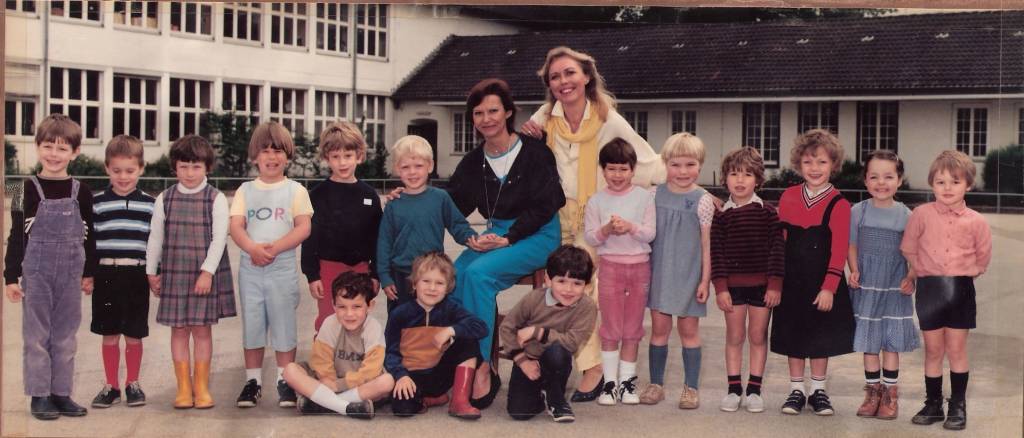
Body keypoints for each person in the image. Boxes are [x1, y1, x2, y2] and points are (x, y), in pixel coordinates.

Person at [522, 45, 666, 401]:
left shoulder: (608, 119)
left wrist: (686, 189)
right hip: (558, 214)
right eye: (555, 76)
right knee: (557, 291)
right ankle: (557, 363)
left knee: (584, 289)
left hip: (594, 214)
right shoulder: (546, 116)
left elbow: (647, 164)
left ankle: (595, 369)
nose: (563, 81)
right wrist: (528, 137)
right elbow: (519, 156)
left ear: (586, 76)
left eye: (570, 73)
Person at [445, 78, 564, 408]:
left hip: (537, 233)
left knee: (479, 275)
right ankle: (462, 365)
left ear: (508, 112)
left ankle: (483, 367)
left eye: (493, 110)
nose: (486, 118)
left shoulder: (535, 152)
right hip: (496, 234)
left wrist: (509, 237)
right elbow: (450, 205)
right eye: (478, 112)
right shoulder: (472, 162)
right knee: (454, 277)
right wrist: (470, 237)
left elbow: (546, 206)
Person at [4, 114, 97, 420]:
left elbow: (90, 235)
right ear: (37, 146)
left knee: (65, 336)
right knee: (36, 336)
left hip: (71, 274)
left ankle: (61, 393)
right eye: (47, 146)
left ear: (75, 152)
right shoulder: (20, 187)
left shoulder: (82, 191)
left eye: (62, 148)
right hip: (37, 274)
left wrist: (89, 273)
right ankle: (40, 395)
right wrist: (10, 276)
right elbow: (15, 234)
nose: (53, 154)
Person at [901, 150, 991, 431]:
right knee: (933, 350)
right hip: (929, 289)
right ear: (931, 184)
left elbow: (982, 257)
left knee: (956, 349)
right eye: (940, 182)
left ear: (968, 185)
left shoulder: (976, 220)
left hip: (960, 289)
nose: (947, 188)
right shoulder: (920, 214)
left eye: (955, 181)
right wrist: (917, 273)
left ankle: (958, 405)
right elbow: (909, 248)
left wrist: (959, 276)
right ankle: (933, 403)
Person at [146, 135, 236, 409]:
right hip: (174, 273)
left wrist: (207, 272)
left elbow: (220, 239)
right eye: (183, 166)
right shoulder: (165, 198)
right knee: (179, 331)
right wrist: (151, 271)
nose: (189, 173)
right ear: (175, 167)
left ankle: (201, 386)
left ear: (207, 167)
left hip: (203, 276)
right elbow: (155, 238)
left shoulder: (216, 198)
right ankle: (184, 388)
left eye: (196, 167)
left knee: (201, 330)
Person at [770, 129, 854, 416]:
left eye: (821, 162)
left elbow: (840, 249)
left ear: (833, 165)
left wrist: (830, 286)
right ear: (798, 164)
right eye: (808, 162)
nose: (815, 169)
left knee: (820, 337)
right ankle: (796, 389)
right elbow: (779, 243)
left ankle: (818, 390)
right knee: (793, 334)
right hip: (792, 281)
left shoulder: (840, 204)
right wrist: (776, 282)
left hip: (822, 284)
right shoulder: (789, 197)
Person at [229, 121, 313, 409]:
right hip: (251, 267)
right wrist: (253, 248)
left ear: (287, 155)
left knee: (283, 324)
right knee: (253, 325)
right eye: (265, 151)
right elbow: (237, 226)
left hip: (282, 265)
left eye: (277, 150)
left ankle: (285, 379)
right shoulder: (244, 191)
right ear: (255, 156)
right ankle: (253, 381)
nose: (271, 156)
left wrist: (274, 249)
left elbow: (303, 228)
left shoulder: (296, 191)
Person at [642, 133, 715, 409]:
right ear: (665, 164)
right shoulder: (653, 194)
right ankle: (656, 384)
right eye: (675, 165)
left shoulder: (703, 200)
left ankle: (691, 388)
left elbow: (706, 245)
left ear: (700, 165)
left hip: (688, 276)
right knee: (659, 330)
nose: (682, 171)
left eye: (690, 164)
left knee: (689, 332)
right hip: (659, 273)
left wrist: (705, 280)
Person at [710, 146, 784, 414]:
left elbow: (777, 250)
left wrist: (775, 284)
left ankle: (754, 390)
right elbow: (716, 254)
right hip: (732, 288)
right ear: (725, 178)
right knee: (735, 335)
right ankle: (733, 389)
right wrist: (720, 288)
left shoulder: (768, 212)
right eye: (733, 174)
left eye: (747, 174)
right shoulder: (721, 215)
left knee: (757, 335)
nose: (740, 180)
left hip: (763, 288)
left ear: (758, 179)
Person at [582, 138, 655, 406]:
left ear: (633, 170)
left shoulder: (644, 197)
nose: (617, 175)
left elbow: (650, 233)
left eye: (623, 169)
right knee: (611, 327)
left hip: (639, 267)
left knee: (633, 328)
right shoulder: (596, 201)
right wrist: (607, 230)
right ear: (603, 170)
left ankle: (627, 383)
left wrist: (631, 227)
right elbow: (591, 238)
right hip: (610, 268)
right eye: (611, 169)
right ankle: (609, 384)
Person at [848, 150, 919, 420]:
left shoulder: (906, 215)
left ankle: (890, 394)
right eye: (874, 176)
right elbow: (851, 244)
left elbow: (913, 253)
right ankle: (872, 391)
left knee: (890, 341)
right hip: (867, 285)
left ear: (899, 180)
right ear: (865, 181)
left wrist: (911, 276)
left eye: (888, 176)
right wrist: (853, 269)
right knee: (869, 341)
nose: (881, 182)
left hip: (894, 286)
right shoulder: (858, 211)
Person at [89, 135, 156, 409]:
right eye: (117, 170)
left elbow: (155, 243)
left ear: (141, 168)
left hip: (136, 276)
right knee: (109, 333)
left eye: (130, 171)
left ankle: (132, 383)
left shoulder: (151, 204)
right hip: (106, 275)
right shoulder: (96, 203)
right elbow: (90, 243)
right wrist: (88, 273)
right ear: (107, 168)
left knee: (134, 333)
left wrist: (156, 273)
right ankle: (111, 386)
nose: (123, 176)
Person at [377, 135, 476, 314]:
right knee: (401, 325)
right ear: (397, 169)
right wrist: (385, 277)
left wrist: (474, 239)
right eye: (405, 167)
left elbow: (458, 226)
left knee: (433, 324)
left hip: (433, 274)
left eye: (418, 166)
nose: (412, 172)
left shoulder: (441, 198)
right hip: (401, 275)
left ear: (430, 166)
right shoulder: (393, 203)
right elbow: (384, 243)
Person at [384, 252, 489, 419]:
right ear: (414, 284)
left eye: (439, 283)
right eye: (426, 281)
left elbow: (481, 327)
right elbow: (390, 352)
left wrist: (451, 330)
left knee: (468, 339)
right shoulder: (400, 314)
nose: (432, 288)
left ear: (448, 287)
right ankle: (429, 399)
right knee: (402, 409)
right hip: (411, 376)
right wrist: (400, 375)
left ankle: (459, 401)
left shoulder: (450, 308)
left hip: (439, 373)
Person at [501, 245, 598, 422]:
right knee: (519, 412)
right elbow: (507, 327)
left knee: (558, 352)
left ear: (587, 285)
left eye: (577, 283)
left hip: (555, 359)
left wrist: (538, 332)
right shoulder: (534, 299)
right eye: (561, 281)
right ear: (547, 279)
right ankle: (541, 395)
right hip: (529, 359)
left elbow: (571, 342)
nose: (568, 290)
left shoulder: (587, 307)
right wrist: (522, 362)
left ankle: (555, 397)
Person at [301, 121, 382, 333]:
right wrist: (312, 275)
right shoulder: (317, 195)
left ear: (359, 155)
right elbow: (309, 239)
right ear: (327, 158)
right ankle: (324, 363)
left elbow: (377, 239)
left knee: (357, 318)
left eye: (348, 156)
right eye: (336, 157)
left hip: (361, 269)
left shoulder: (369, 195)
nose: (342, 162)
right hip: (328, 269)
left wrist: (375, 274)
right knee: (328, 319)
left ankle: (354, 362)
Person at [283, 272, 389, 418]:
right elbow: (320, 360)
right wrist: (328, 381)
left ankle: (322, 404)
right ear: (333, 305)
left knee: (387, 382)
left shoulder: (373, 328)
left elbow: (370, 370)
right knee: (290, 370)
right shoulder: (330, 324)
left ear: (370, 306)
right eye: (342, 307)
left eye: (356, 306)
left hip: (357, 384)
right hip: (326, 382)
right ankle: (347, 407)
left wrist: (339, 385)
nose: (349, 314)